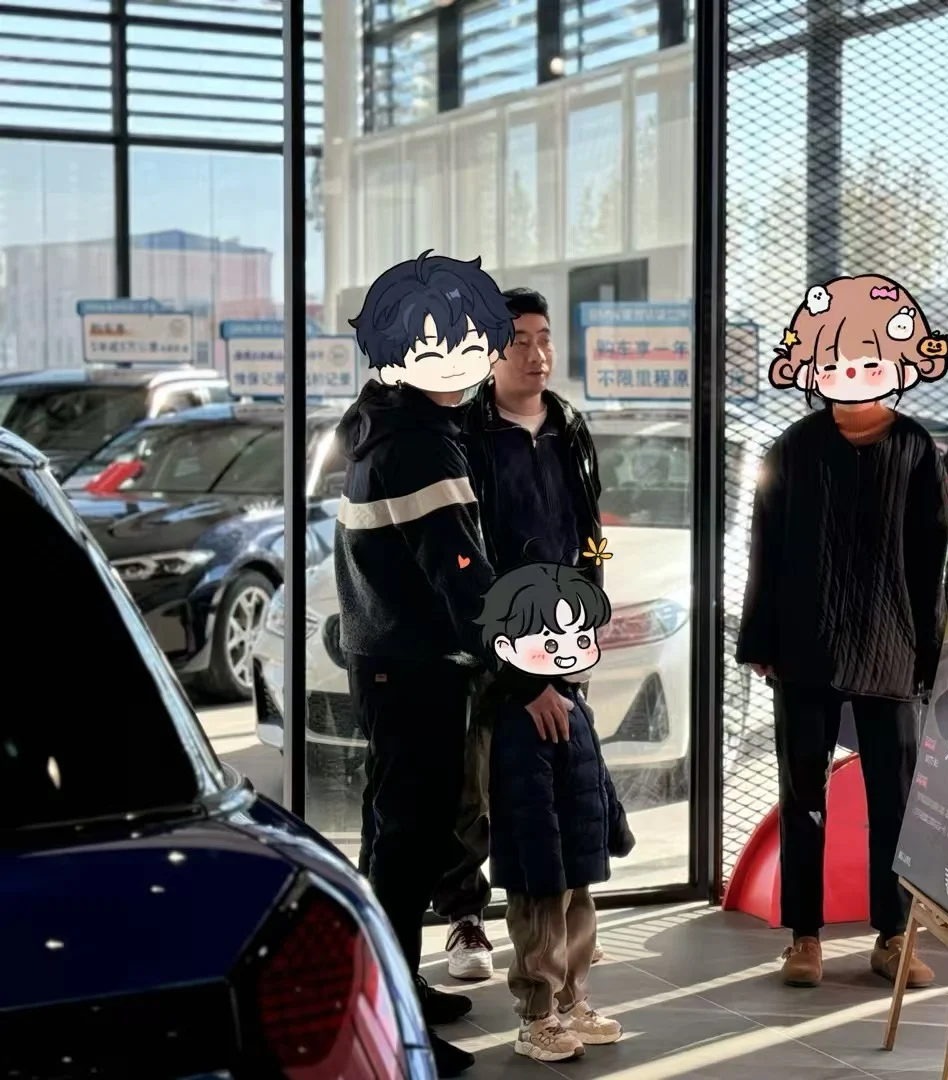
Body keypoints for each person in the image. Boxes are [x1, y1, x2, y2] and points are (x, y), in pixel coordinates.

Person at [736, 274, 948, 990]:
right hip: (806, 645)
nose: (853, 371)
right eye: (836, 357)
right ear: (811, 363)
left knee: (896, 798)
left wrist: (933, 650)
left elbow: (933, 555)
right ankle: (804, 938)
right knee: (804, 794)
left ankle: (893, 936)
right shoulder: (793, 446)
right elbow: (764, 547)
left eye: (870, 356)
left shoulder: (916, 447)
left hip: (894, 646)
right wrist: (760, 641)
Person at [334, 249, 512, 1077]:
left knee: (394, 834)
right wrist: (517, 660)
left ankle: (395, 984)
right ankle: (396, 1014)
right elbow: (461, 576)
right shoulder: (419, 447)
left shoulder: (385, 425)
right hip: (414, 669)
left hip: (388, 662)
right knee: (408, 842)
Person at [432, 286, 606, 980]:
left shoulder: (569, 427)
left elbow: (592, 531)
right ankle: (465, 918)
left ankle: (557, 929)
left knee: (555, 788)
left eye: (544, 338)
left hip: (561, 630)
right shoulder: (466, 433)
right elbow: (466, 554)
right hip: (490, 638)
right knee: (473, 786)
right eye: (519, 342)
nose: (536, 354)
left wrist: (591, 603)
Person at [478, 561, 634, 1063]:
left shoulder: (570, 699)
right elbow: (524, 796)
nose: (567, 649)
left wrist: (613, 822)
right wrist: (541, 861)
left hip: (576, 844)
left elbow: (596, 771)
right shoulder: (521, 714)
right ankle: (536, 1019)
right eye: (549, 639)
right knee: (541, 936)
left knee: (579, 924)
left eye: (578, 636)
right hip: (540, 857)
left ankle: (572, 1003)